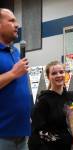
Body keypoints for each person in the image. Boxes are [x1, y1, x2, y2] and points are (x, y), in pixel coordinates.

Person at [28, 61, 73, 150]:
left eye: (61, 72)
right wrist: (70, 140)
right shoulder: (43, 101)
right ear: (48, 77)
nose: (58, 75)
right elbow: (40, 132)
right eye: (54, 73)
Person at [0, 8, 32, 150]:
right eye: (12, 20)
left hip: (22, 133)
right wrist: (13, 73)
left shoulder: (16, 52)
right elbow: (14, 75)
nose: (17, 24)